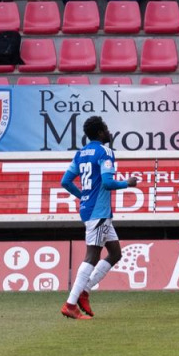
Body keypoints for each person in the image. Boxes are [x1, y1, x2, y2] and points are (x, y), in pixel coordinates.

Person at [58, 116, 141, 320]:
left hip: (90, 209)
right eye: (106, 128)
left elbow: (66, 181)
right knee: (92, 256)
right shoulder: (105, 152)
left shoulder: (81, 153)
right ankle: (70, 304)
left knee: (115, 253)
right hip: (99, 212)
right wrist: (127, 183)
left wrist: (83, 196)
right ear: (100, 132)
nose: (109, 132)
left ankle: (84, 291)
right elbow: (107, 182)